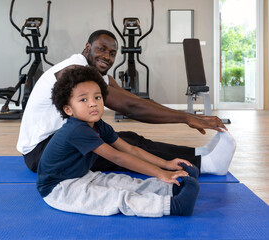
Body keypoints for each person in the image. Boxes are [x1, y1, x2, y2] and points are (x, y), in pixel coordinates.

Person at [17, 29, 236, 175]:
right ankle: (205, 166)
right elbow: (130, 107)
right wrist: (186, 118)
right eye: (101, 49)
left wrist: (188, 118)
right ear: (87, 48)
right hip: (42, 153)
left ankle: (197, 155)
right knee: (116, 153)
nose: (107, 57)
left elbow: (135, 100)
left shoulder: (98, 76)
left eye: (112, 53)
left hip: (61, 141)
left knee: (130, 139)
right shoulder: (76, 69)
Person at [37, 65, 200, 217]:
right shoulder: (76, 129)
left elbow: (131, 150)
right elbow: (117, 157)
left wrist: (166, 164)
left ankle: (172, 190)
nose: (93, 103)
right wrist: (160, 173)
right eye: (83, 100)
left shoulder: (98, 125)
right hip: (59, 188)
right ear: (68, 109)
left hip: (82, 175)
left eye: (97, 97)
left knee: (124, 182)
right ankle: (173, 205)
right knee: (115, 197)